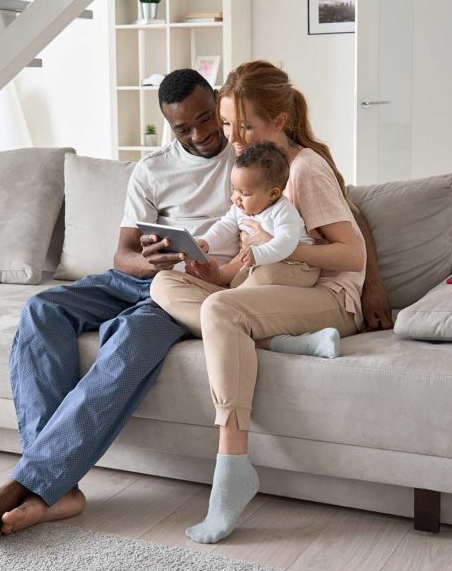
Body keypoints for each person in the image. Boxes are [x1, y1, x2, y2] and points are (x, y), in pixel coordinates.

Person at [0, 69, 238, 542]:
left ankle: (31, 483)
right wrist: (148, 262)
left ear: (217, 101)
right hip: (143, 279)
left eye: (206, 119)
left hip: (188, 293)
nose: (200, 134)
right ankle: (57, 488)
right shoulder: (152, 170)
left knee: (128, 337)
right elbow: (121, 256)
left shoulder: (250, 155)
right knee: (42, 309)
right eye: (183, 129)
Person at [150, 60, 376, 544]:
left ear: (280, 119)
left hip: (328, 298)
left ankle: (232, 469)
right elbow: (241, 236)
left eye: (246, 124)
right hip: (270, 291)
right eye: (228, 122)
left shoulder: (305, 169)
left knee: (221, 309)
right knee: (163, 285)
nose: (233, 135)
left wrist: (283, 248)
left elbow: (352, 253)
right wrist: (208, 262)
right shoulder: (253, 168)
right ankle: (280, 342)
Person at [196, 141, 320, 293]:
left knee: (262, 278)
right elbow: (225, 226)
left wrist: (258, 254)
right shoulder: (239, 209)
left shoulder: (283, 210)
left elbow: (286, 243)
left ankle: (231, 302)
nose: (236, 198)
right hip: (261, 261)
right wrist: (207, 241)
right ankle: (227, 298)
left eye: (245, 193)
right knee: (237, 282)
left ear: (273, 194)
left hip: (298, 266)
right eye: (235, 190)